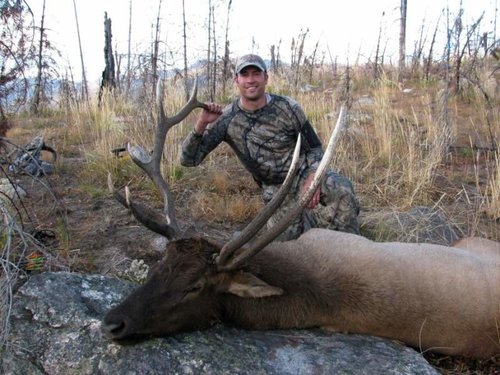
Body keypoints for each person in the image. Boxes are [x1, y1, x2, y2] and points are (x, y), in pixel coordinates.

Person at [180, 54, 360, 241]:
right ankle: (311, 222)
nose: (251, 80)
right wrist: (201, 123)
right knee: (285, 250)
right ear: (236, 80)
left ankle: (353, 253)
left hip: (303, 175)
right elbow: (188, 160)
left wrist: (313, 177)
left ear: (265, 78)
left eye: (256, 74)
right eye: (245, 74)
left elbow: (315, 148)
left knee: (341, 190)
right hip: (275, 189)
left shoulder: (288, 108)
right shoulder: (226, 119)